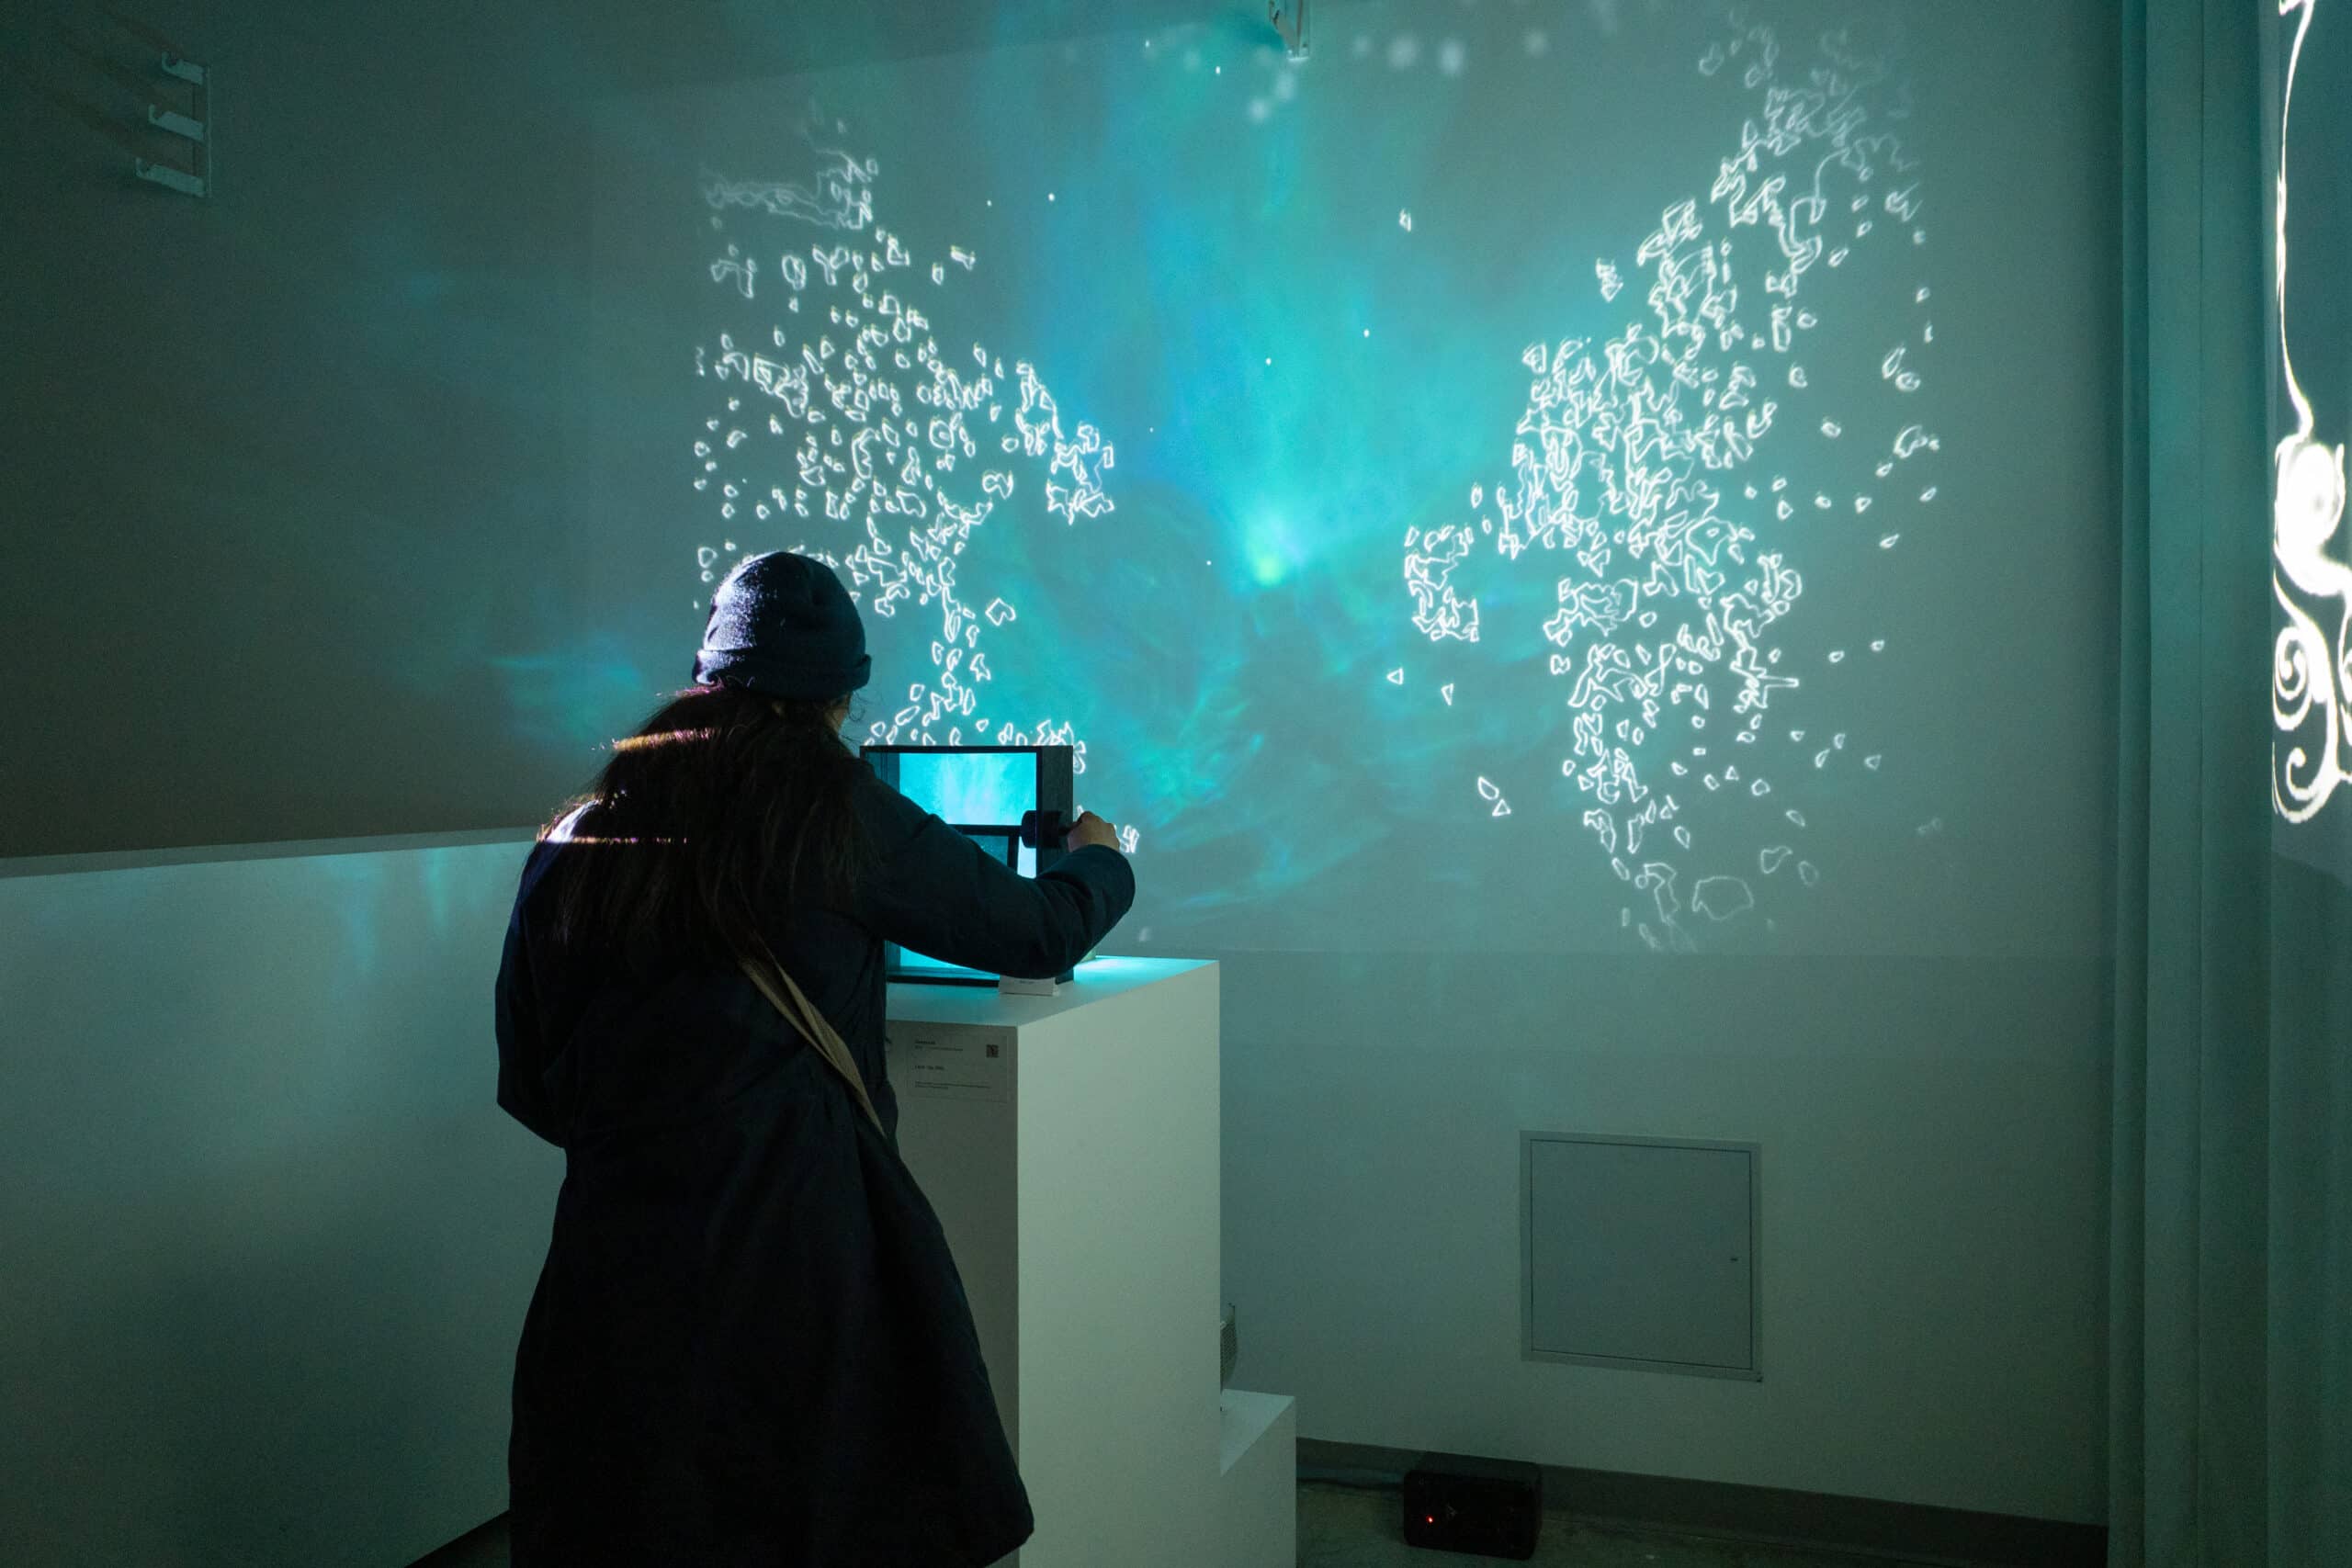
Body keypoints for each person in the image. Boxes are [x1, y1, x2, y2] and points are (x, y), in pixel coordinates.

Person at [493, 550, 1134, 1566]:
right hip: (791, 1260)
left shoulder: (583, 826)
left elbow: (530, 1077)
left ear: (705, 677)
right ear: (839, 696)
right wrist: (1098, 860)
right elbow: (1033, 931)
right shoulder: (834, 808)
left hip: (609, 1270)